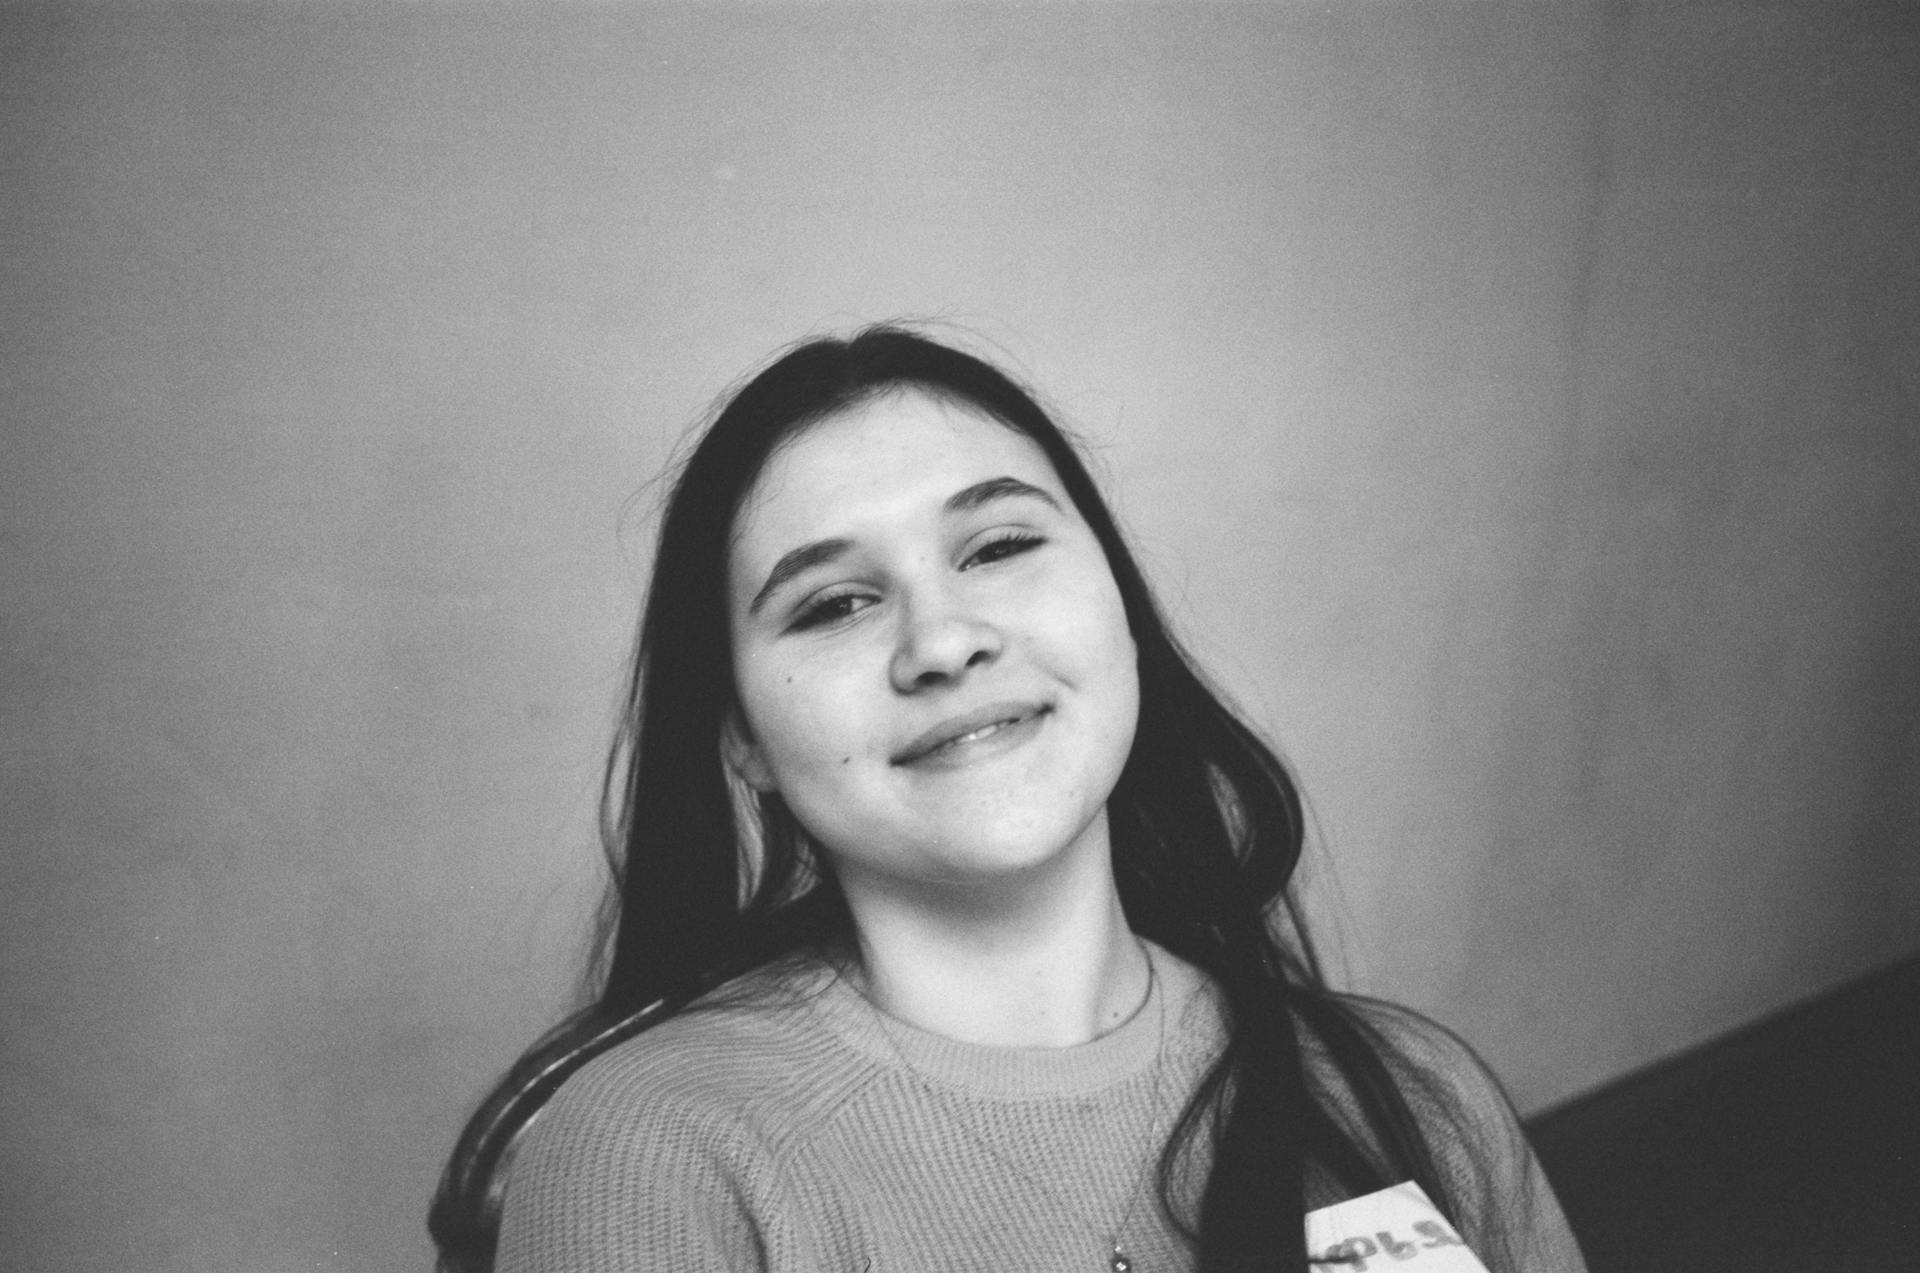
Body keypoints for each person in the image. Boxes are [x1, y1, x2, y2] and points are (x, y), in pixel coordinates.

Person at [428, 326, 1587, 1273]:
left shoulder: (1414, 1096)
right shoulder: (650, 1152)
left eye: (997, 545)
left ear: (1120, 612)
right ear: (744, 744)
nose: (943, 640)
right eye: (832, 605)